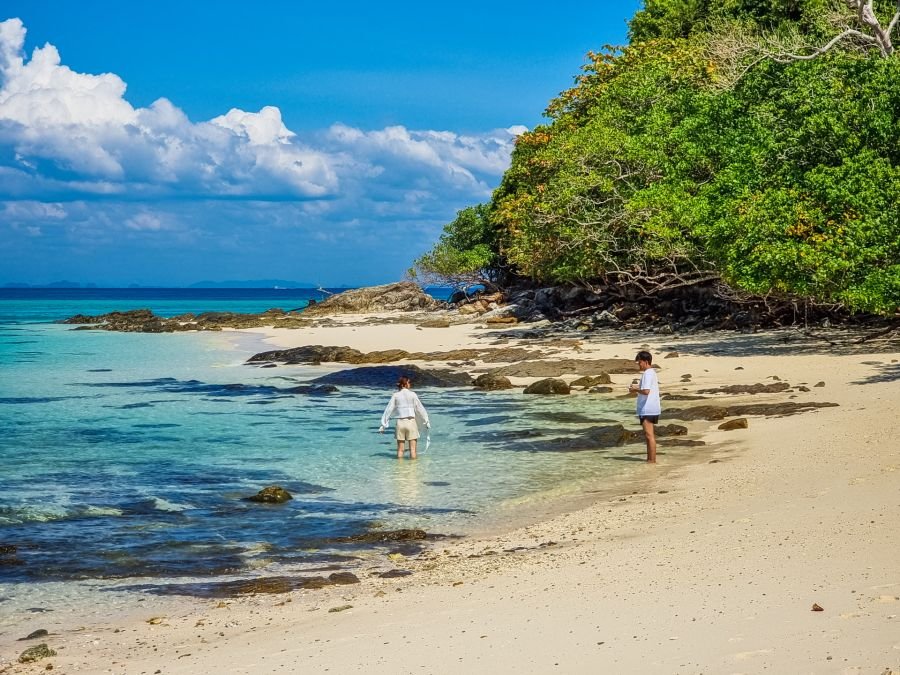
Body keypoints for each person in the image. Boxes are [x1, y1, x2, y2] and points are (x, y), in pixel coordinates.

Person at [379, 376, 430, 459]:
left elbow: (389, 410)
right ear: (404, 384)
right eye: (409, 382)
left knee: (400, 450)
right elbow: (420, 409)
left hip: (400, 423)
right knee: (413, 450)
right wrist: (426, 420)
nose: (410, 384)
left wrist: (383, 425)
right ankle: (413, 467)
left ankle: (399, 467)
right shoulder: (413, 394)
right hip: (411, 422)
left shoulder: (395, 395)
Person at [628, 350, 661, 463]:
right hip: (652, 407)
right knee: (649, 436)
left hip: (648, 408)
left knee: (649, 435)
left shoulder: (647, 373)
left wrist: (635, 389)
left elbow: (646, 391)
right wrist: (638, 388)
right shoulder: (652, 373)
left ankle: (652, 460)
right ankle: (650, 460)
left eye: (640, 362)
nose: (638, 364)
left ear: (646, 361)